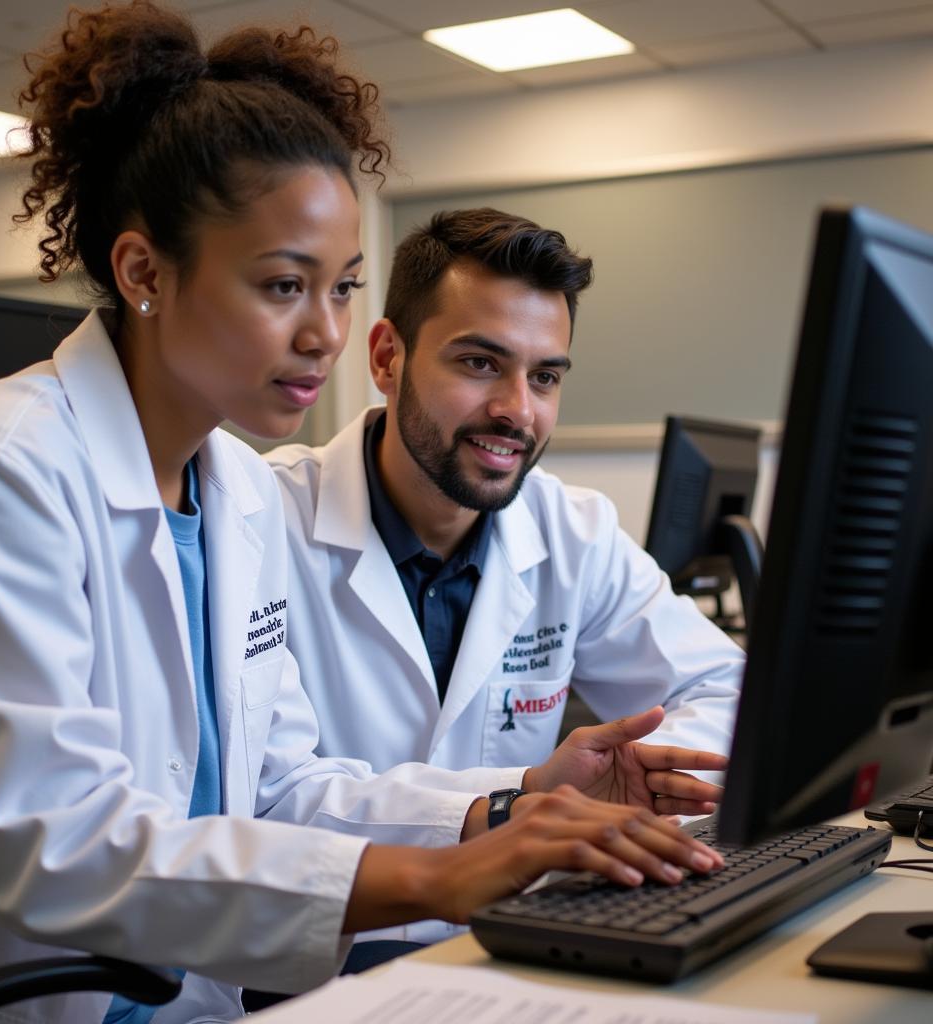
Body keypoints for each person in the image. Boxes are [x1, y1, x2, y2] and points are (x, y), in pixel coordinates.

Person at [0, 5, 725, 1022]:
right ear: (143, 272)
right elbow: (55, 844)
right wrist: (435, 879)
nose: (324, 335)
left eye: (340, 289)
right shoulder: (1, 467)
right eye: (283, 286)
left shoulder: (235, 489)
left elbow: (281, 786)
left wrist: (505, 812)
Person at [266, 208, 747, 945]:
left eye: (545, 376)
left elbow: (724, 686)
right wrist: (515, 802)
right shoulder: (263, 521)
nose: (517, 411)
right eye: (480, 363)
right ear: (388, 358)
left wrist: (642, 775)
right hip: (318, 956)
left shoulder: (571, 529)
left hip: (507, 940)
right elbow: (267, 797)